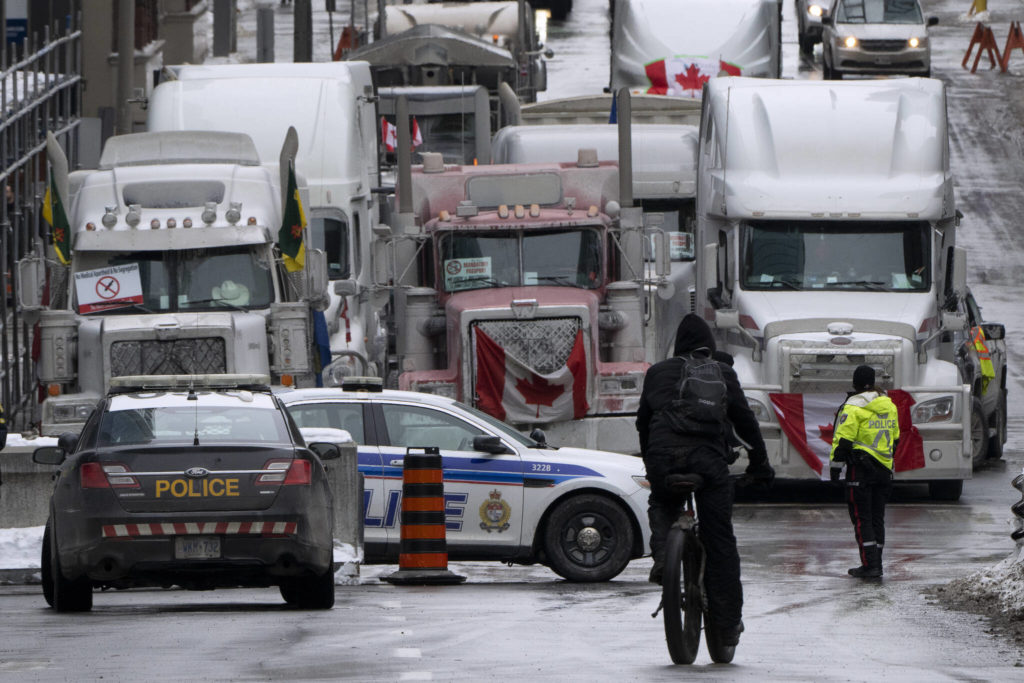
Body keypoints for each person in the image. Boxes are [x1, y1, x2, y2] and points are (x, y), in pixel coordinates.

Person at [636, 314, 774, 647]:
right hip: (707, 462)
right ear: (709, 347)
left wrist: (652, 462)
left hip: (663, 457)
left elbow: (643, 423)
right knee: (720, 540)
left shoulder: (656, 372)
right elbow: (746, 423)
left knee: (661, 500)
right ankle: (727, 628)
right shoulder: (723, 372)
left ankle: (662, 557)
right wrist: (760, 465)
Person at [830, 365, 899, 579]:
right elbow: (895, 438)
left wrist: (835, 469)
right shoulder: (889, 405)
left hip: (860, 470)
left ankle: (870, 565)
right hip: (884, 469)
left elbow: (843, 441)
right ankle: (876, 561)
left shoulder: (852, 407)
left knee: (862, 519)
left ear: (855, 383)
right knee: (877, 517)